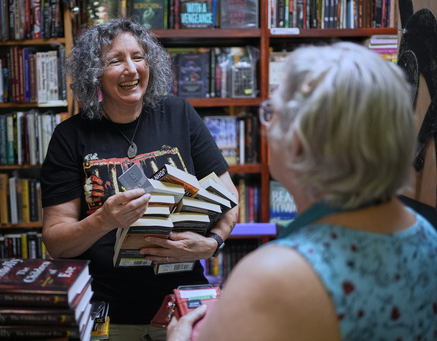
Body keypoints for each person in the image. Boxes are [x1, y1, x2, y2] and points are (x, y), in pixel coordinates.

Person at [167, 42, 437, 340]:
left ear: (298, 143)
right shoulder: (427, 236)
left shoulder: (273, 275)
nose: (265, 127)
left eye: (271, 112)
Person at [39, 17, 239, 341]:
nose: (131, 69)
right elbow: (56, 242)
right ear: (95, 74)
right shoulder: (69, 136)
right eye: (115, 60)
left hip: (184, 307)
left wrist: (211, 244)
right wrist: (104, 219)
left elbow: (229, 198)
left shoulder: (179, 113)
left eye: (138, 57)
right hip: (110, 314)